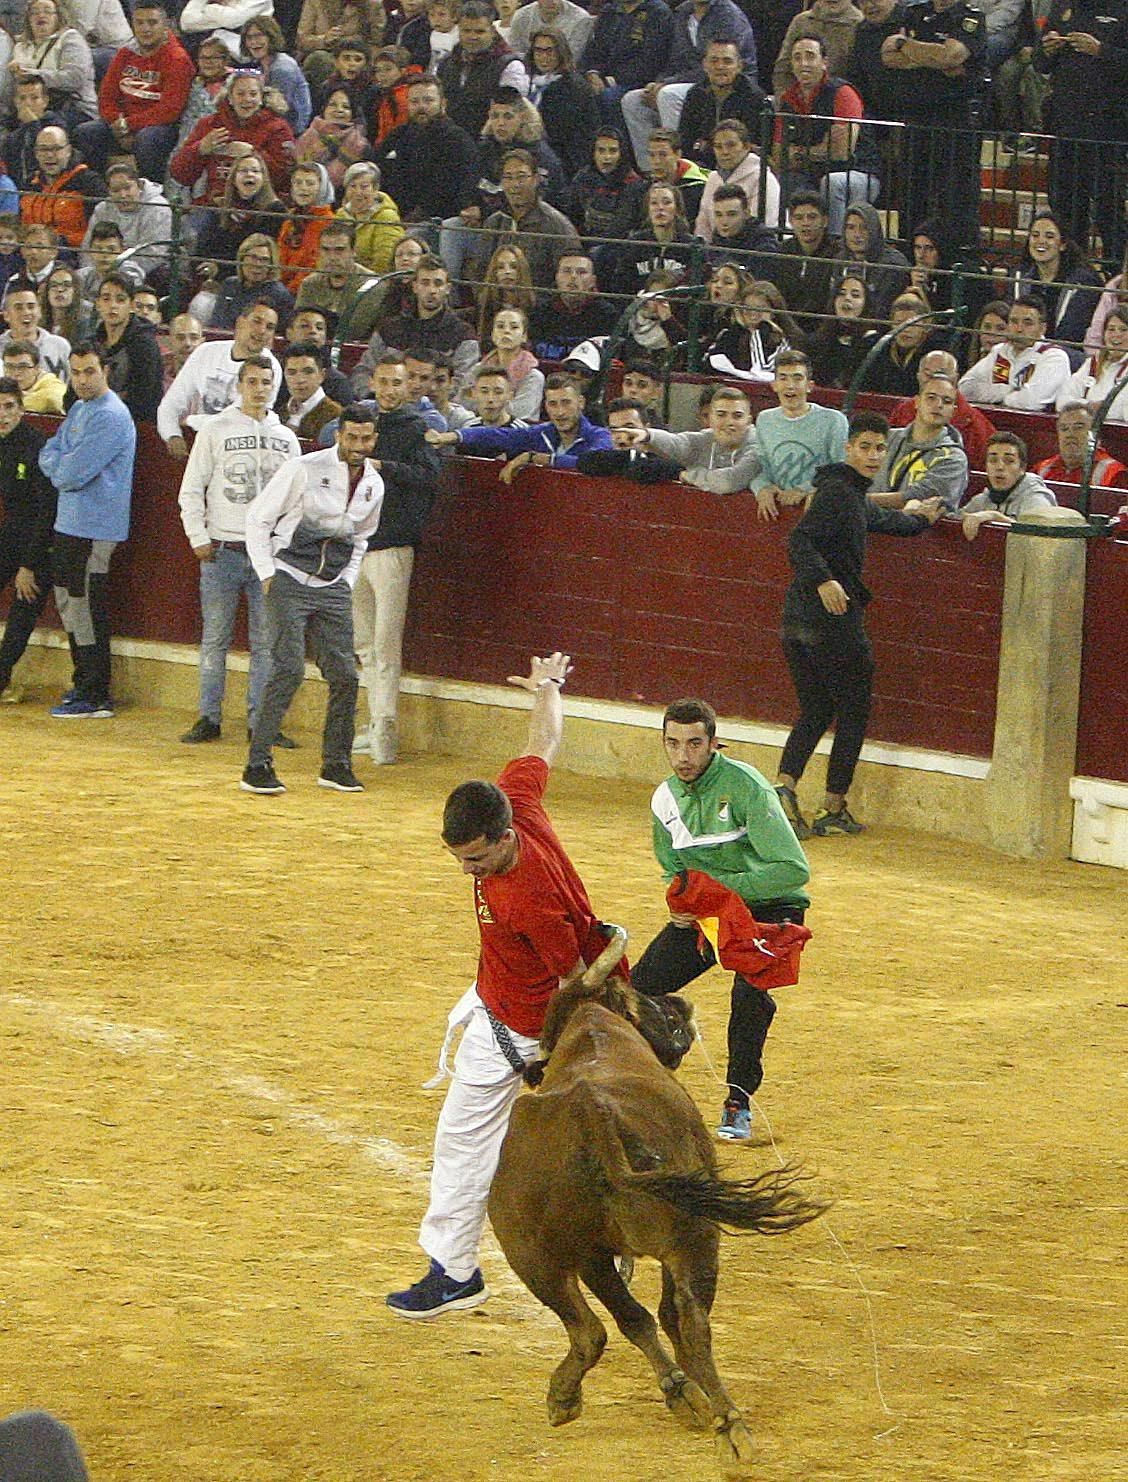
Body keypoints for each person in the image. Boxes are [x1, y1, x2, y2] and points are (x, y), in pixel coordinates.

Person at [386, 648, 625, 1317]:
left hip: (522, 1022)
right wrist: (548, 685)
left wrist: (548, 1052)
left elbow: (573, 981)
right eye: (459, 858)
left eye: (478, 857)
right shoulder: (515, 802)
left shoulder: (530, 899)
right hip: (504, 1000)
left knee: (462, 1138)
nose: (468, 870)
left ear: (501, 835)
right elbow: (541, 739)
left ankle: (455, 1270)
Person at [630, 697, 810, 1141]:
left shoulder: (748, 786)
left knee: (748, 999)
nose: (683, 756)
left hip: (770, 908)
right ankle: (655, 1072)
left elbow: (792, 870)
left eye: (694, 744)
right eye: (673, 744)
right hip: (711, 910)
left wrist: (721, 892)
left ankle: (738, 1102)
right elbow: (674, 870)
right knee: (638, 989)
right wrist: (679, 901)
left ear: (713, 744)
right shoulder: (664, 799)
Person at [774, 410, 942, 838]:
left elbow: (889, 521)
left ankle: (785, 788)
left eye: (879, 448)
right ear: (848, 448)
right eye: (864, 447)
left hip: (796, 619)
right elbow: (800, 538)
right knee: (853, 709)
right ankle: (832, 807)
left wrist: (922, 517)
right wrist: (825, 578)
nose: (872, 455)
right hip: (831, 620)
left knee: (816, 708)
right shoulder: (837, 493)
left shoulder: (845, 493)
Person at [242, 403, 386, 795]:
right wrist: (267, 573)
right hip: (288, 577)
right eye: (352, 437)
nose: (359, 445)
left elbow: (361, 538)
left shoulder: (374, 484)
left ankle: (336, 764)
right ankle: (257, 764)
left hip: (332, 586)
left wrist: (348, 580)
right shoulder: (304, 468)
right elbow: (259, 518)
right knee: (287, 668)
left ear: (374, 438)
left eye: (366, 438)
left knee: (344, 676)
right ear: (338, 434)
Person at [177, 356, 302, 747]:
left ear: (274, 387)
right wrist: (197, 536)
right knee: (216, 637)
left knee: (266, 643)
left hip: (267, 556)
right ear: (239, 385)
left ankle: (259, 723)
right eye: (252, 381)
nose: (260, 388)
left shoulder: (287, 438)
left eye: (267, 381)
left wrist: (282, 548)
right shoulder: (215, 430)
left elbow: (298, 500)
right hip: (224, 548)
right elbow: (192, 488)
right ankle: (209, 717)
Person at [351, 350, 440, 764]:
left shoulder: (415, 428)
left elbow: (428, 478)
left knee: (384, 646)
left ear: (408, 387)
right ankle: (375, 724)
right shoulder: (362, 425)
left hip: (392, 548)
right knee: (366, 644)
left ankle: (384, 731)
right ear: (374, 383)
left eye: (397, 384)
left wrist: (383, 465)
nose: (389, 391)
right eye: (383, 383)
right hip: (359, 547)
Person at [39, 341, 136, 719]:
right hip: (70, 523)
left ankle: (95, 692)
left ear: (105, 370)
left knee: (86, 606)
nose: (81, 380)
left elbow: (69, 471)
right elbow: (50, 453)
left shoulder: (111, 415)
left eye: (89, 371)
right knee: (69, 602)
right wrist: (61, 466)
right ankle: (84, 683)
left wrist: (61, 467)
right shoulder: (80, 408)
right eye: (75, 372)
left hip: (95, 527)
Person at [620, 0, 758, 170]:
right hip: (689, 78)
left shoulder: (729, 16)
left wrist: (667, 84)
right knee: (632, 100)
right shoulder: (682, 13)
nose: (719, 63)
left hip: (725, 79)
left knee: (667, 95)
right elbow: (675, 59)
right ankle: (652, 170)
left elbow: (719, 62)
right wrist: (658, 82)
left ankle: (676, 167)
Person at [773, 30, 880, 237]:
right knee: (782, 179)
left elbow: (841, 152)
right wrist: (819, 149)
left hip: (859, 172)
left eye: (810, 56)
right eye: (797, 57)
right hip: (811, 173)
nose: (803, 63)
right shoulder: (788, 99)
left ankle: (835, 248)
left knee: (832, 183)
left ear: (824, 62)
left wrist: (799, 153)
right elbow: (779, 156)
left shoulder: (842, 93)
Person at [73, 0, 193, 178]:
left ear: (165, 24)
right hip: (122, 124)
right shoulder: (125, 53)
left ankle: (153, 192)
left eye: (152, 23)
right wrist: (117, 123)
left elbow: (169, 110)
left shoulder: (177, 59)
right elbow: (106, 96)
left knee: (147, 139)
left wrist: (129, 125)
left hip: (160, 127)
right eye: (139, 23)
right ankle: (101, 189)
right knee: (85, 132)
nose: (145, 29)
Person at [157, 300, 282, 458]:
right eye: (257, 321)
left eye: (270, 327)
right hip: (201, 449)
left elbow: (245, 422)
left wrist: (192, 421)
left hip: (240, 454)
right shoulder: (206, 352)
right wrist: (172, 435)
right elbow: (170, 405)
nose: (262, 330)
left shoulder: (272, 368)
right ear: (240, 322)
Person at [0, 375, 57, 701]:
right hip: (11, 534)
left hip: (41, 542)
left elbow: (46, 510)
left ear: (22, 410)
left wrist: (29, 564)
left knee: (23, 612)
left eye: (9, 407)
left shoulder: (37, 446)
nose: (3, 415)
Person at [350, 254, 479, 396]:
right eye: (425, 283)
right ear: (415, 286)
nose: (432, 290)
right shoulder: (388, 329)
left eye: (438, 283)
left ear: (447, 288)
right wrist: (375, 399)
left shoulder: (463, 334)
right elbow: (363, 371)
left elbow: (465, 384)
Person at [749, 349, 849, 520]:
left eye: (797, 378)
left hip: (820, 513)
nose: (790, 385)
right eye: (783, 378)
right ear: (774, 385)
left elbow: (842, 471)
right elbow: (761, 466)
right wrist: (762, 488)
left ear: (810, 386)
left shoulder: (833, 420)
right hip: (776, 515)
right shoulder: (765, 419)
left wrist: (807, 489)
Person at [442, 371, 612, 471]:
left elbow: (593, 463)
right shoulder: (540, 433)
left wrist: (536, 458)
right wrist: (451, 436)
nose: (560, 412)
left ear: (580, 402)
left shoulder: (600, 436)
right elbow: (496, 435)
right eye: (553, 404)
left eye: (566, 403)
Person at [372, 74, 483, 224]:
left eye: (428, 100)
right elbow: (374, 165)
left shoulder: (457, 139)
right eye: (415, 101)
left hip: (438, 221)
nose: (421, 107)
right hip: (393, 215)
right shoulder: (399, 135)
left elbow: (446, 190)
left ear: (443, 104)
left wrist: (409, 221)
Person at [618, 383, 760, 491]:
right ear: (710, 419)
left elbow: (729, 482)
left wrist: (686, 476)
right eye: (721, 415)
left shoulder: (759, 446)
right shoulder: (707, 438)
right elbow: (677, 443)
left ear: (749, 421)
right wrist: (647, 435)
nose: (729, 422)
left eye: (737, 416)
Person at [867, 373, 969, 510]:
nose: (939, 405)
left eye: (947, 401)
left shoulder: (954, 458)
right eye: (931, 398)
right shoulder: (887, 439)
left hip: (918, 530)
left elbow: (920, 497)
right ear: (916, 402)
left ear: (953, 411)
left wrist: (857, 499)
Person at [958, 295, 1073, 411]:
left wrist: (997, 397)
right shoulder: (1000, 351)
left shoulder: (1053, 357)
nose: (1019, 329)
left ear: (1042, 328)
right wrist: (1008, 390)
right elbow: (965, 389)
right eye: (1013, 321)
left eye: (1027, 323)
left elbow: (1030, 402)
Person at [888, 347, 996, 470]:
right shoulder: (904, 410)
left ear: (955, 379)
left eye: (942, 374)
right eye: (928, 374)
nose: (935, 380)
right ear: (918, 376)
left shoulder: (972, 421)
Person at [678, 37, 765, 168]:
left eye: (727, 61)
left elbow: (752, 146)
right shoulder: (695, 94)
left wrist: (705, 146)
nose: (720, 67)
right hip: (700, 166)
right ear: (704, 65)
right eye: (714, 61)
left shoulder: (754, 97)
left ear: (739, 66)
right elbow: (685, 141)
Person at [294, 220, 386, 344]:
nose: (332, 257)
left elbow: (354, 331)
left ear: (353, 252)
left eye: (339, 250)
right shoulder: (309, 284)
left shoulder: (373, 286)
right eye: (326, 250)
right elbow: (299, 325)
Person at [92, 270, 164, 423]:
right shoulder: (91, 343)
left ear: (131, 305)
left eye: (120, 299)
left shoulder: (145, 345)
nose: (112, 305)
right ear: (98, 304)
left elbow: (142, 399)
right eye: (106, 299)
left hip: (136, 428)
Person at [694, 118, 781, 240]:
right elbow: (703, 224)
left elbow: (767, 224)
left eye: (731, 145)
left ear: (746, 146)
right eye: (718, 146)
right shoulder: (713, 178)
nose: (724, 152)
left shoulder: (763, 178)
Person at [960, 430, 1057, 538]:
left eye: (1009, 461)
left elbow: (1037, 537)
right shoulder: (981, 500)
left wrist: (995, 517)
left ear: (1022, 468)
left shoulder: (1037, 498)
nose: (999, 467)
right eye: (993, 460)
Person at [774, 189, 842, 330]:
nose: (805, 223)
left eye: (812, 217)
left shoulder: (837, 255)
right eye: (799, 218)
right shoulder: (782, 252)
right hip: (785, 327)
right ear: (791, 222)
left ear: (824, 221)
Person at [1035, 401, 1128, 488]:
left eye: (1078, 428)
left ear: (1095, 433)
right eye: (1064, 429)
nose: (1070, 434)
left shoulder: (1114, 473)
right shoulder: (1042, 469)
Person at [1, 280, 71, 379]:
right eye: (19, 308)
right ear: (6, 315)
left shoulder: (59, 345)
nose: (26, 312)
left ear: (39, 311)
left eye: (31, 307)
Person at [280, 339, 343, 439]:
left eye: (308, 372)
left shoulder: (336, 416)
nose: (300, 380)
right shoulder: (278, 413)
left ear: (322, 375)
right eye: (292, 373)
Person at [2, 339, 67, 413]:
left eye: (23, 366)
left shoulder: (51, 383)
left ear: (37, 368)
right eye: (10, 366)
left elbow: (52, 400)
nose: (16, 373)